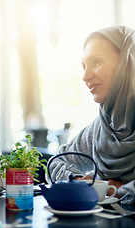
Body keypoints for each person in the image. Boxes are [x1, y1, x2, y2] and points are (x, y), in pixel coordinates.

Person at [48, 25, 135, 202]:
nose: (85, 76)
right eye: (84, 66)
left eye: (97, 62)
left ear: (127, 62)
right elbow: (56, 162)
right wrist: (80, 181)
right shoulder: (102, 127)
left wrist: (118, 190)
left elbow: (117, 190)